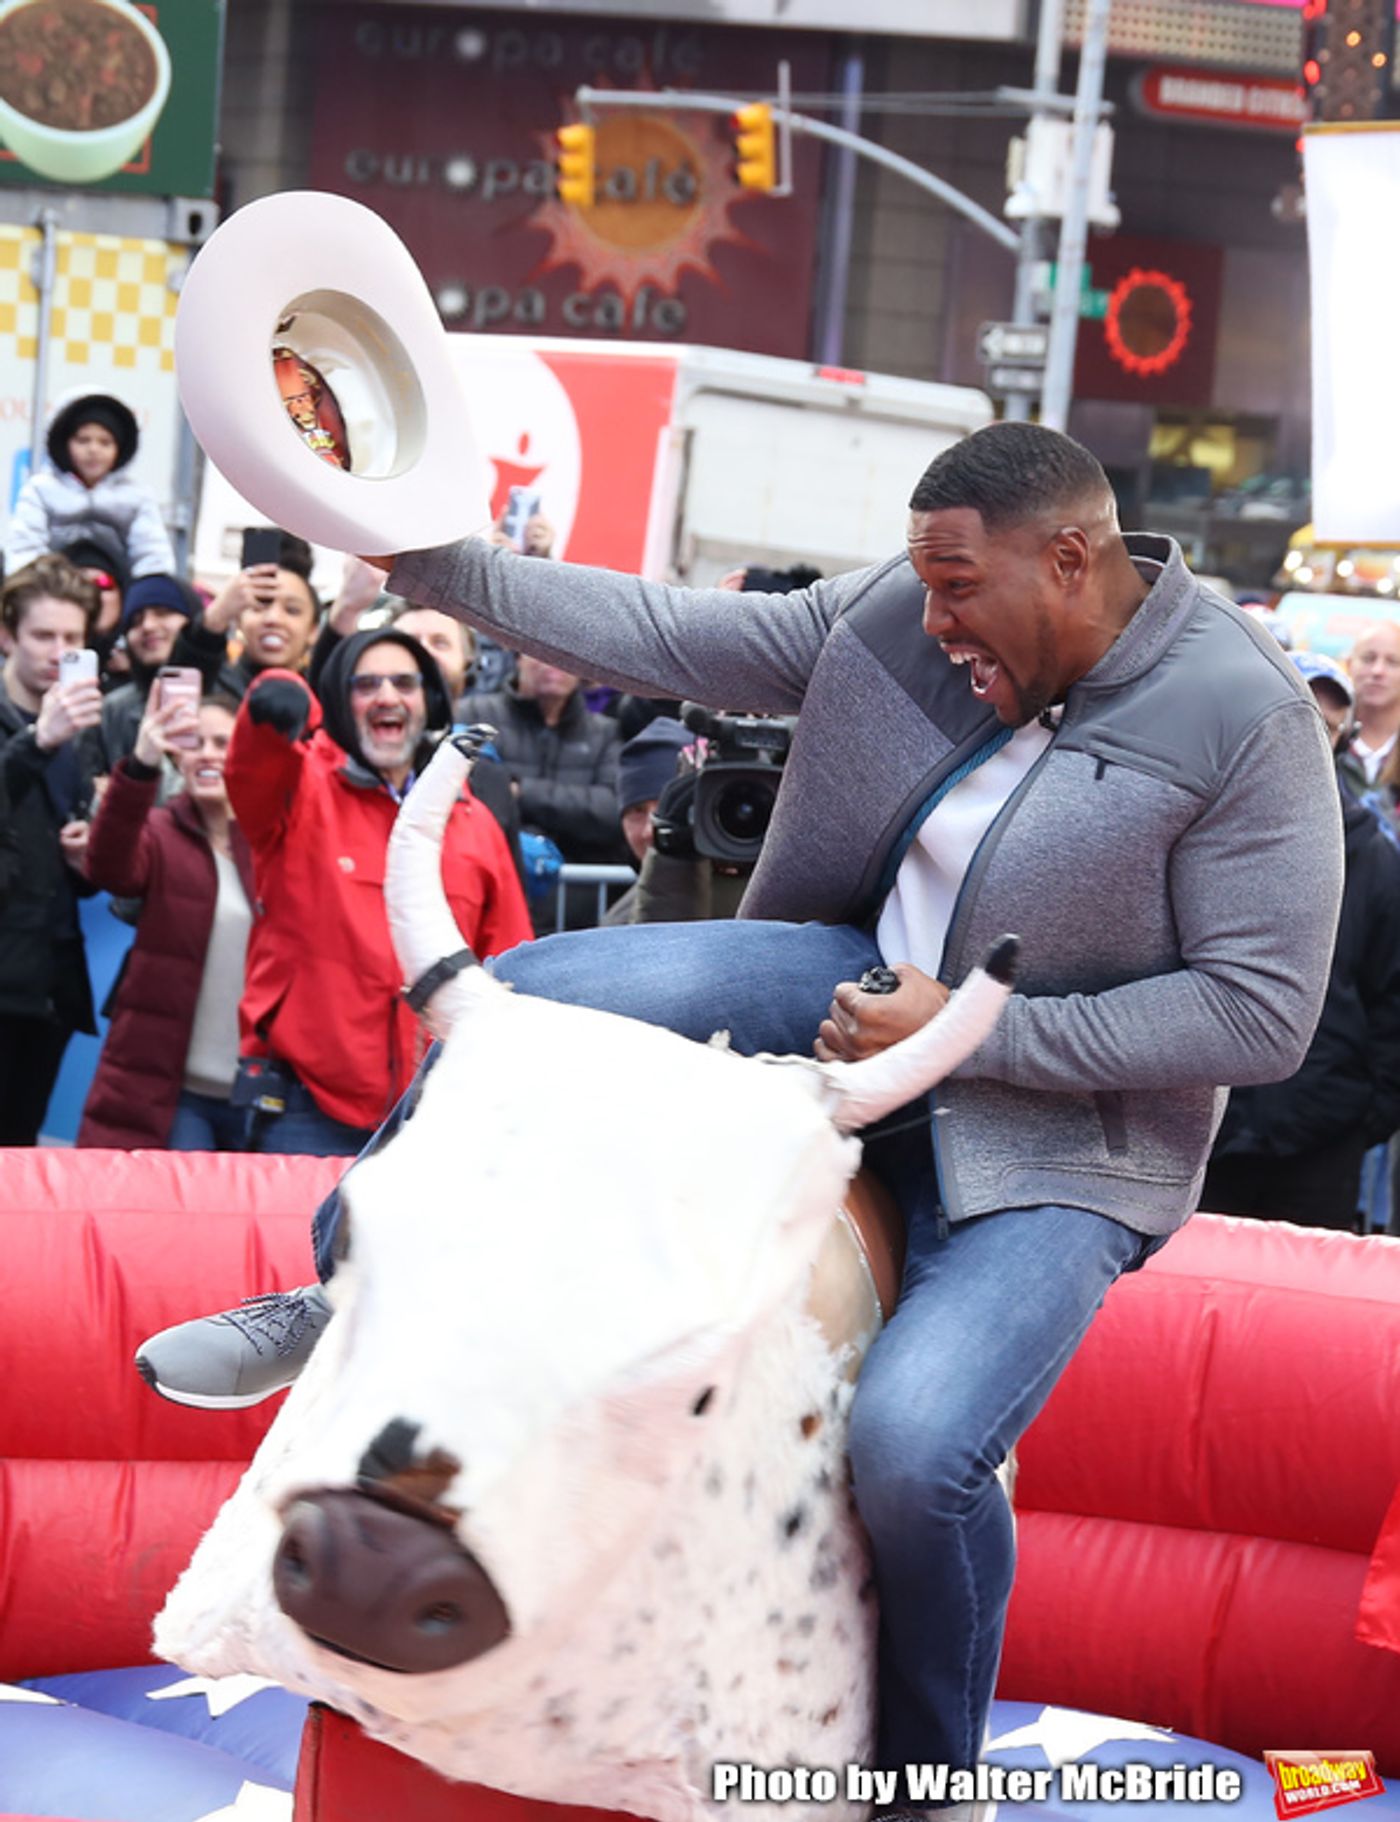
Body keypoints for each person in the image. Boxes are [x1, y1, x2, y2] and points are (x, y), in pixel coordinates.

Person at [136, 423, 1343, 1815]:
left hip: (1060, 1140)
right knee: (523, 993)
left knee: (918, 1448)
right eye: (924, 585)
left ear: (1069, 560)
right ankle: (338, 1282)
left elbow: (1260, 1014)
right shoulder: (899, 610)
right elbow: (664, 631)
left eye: (959, 588)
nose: (932, 619)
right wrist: (423, 557)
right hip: (842, 992)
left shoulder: (1243, 715)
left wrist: (975, 1029)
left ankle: (926, 1787)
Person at [217, 626, 532, 1160]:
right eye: (366, 685)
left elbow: (510, 962)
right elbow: (253, 766)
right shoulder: (300, 792)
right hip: (307, 1110)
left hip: (440, 1116)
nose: (387, 696)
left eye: (404, 683)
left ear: (429, 701)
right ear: (340, 704)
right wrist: (271, 695)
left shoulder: (474, 822)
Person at [1202, 650, 1400, 1230]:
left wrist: (1365, 1114)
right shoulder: (1199, 828)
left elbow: (1392, 996)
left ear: (1344, 739)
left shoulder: (1372, 855)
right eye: (1295, 716)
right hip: (1203, 1134)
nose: (1309, 737)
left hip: (1320, 1141)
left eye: (1326, 725)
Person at [78, 691, 256, 1151]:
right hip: (175, 1093)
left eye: (222, 742)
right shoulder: (159, 831)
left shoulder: (271, 838)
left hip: (258, 1092)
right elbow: (108, 868)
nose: (208, 754)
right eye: (195, 743)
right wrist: (141, 765)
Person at [0, 555, 105, 1144]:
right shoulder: (51, 730)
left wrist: (85, 856)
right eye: (43, 635)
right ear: (7, 635)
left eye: (72, 639)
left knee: (22, 1158)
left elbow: (79, 876)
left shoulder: (79, 734)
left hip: (51, 988)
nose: (58, 652)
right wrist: (37, 741)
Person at [4, 393, 175, 580]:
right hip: (54, 586)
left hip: (117, 589)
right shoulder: (41, 489)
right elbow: (25, 549)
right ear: (65, 444)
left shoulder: (136, 497)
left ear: (119, 449)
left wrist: (148, 589)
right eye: (83, 440)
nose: (93, 450)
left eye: (105, 442)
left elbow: (152, 556)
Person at [99, 573, 205, 769]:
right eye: (135, 621)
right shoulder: (114, 710)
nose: (147, 626)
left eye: (163, 613)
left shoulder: (230, 692)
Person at [1339, 620, 1400, 792]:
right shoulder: (1327, 735)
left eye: (1393, 662)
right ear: (1349, 665)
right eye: (1368, 659)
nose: (1377, 671)